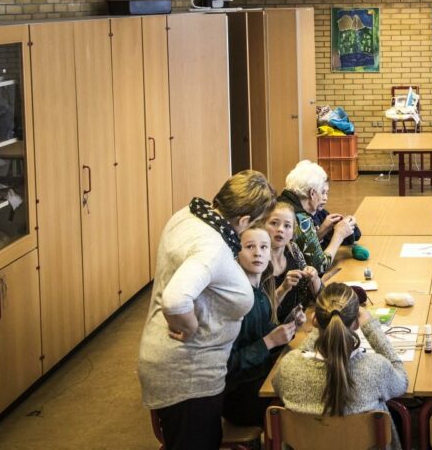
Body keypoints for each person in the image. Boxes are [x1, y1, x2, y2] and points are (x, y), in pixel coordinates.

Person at [138, 171, 276, 450]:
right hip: (189, 374)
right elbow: (175, 300)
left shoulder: (188, 215)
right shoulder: (212, 247)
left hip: (181, 369)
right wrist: (188, 326)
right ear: (245, 221)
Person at [272, 283, 408, 449]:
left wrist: (319, 327)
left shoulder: (289, 366)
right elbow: (402, 382)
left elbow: (286, 374)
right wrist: (372, 329)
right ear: (356, 324)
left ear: (315, 320)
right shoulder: (375, 368)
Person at [222, 225, 307, 427]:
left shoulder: (259, 293)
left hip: (260, 380)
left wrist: (288, 326)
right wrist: (268, 342)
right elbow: (227, 366)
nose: (258, 252)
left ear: (271, 254)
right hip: (240, 399)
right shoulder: (236, 301)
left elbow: (260, 334)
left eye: (263, 247)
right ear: (235, 253)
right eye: (249, 247)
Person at [278, 160, 357, 274]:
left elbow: (299, 246)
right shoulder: (301, 218)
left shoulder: (282, 202)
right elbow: (319, 266)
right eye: (323, 192)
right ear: (312, 193)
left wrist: (322, 231)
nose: (325, 197)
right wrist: (339, 235)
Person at [263, 201, 322, 323]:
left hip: (296, 323)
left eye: (287, 226)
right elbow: (260, 313)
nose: (280, 230)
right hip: (270, 332)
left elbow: (315, 294)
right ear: (263, 225)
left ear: (292, 232)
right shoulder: (258, 260)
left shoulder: (293, 249)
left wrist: (314, 277)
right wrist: (283, 288)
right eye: (274, 223)